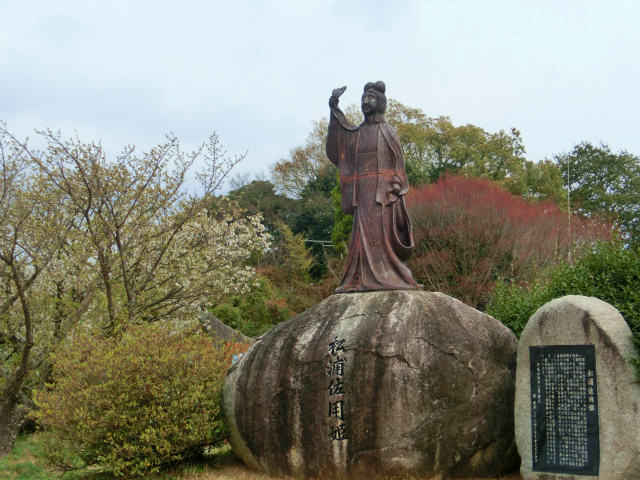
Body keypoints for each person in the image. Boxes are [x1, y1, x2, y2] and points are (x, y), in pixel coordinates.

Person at [326, 81, 420, 293]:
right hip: (362, 193)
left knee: (381, 238)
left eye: (370, 97)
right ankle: (359, 278)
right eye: (363, 98)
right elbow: (338, 147)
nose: (365, 102)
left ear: (380, 102)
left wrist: (396, 185)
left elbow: (398, 166)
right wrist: (334, 110)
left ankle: (388, 275)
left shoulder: (388, 132)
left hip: (383, 195)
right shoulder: (357, 134)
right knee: (361, 237)